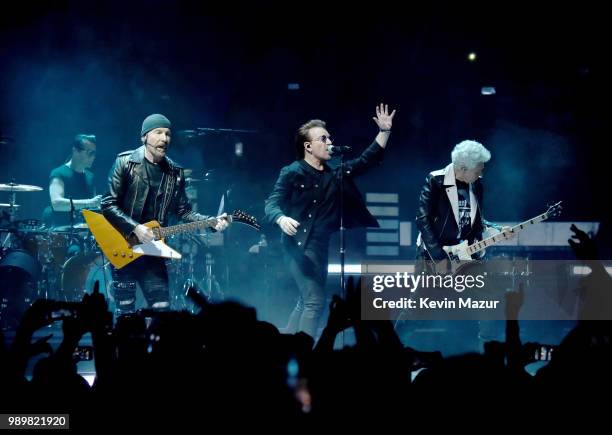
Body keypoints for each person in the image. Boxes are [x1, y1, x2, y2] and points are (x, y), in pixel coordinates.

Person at [265, 104, 396, 338]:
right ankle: (304, 354)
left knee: (306, 298)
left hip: (319, 245)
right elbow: (271, 203)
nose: (329, 142)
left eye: (329, 137)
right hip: (297, 246)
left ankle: (288, 339)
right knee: (315, 300)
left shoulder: (335, 170)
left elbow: (366, 160)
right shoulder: (292, 171)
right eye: (323, 138)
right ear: (308, 146)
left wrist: (384, 132)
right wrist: (281, 218)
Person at [101, 114, 230, 315]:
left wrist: (210, 221)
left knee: (162, 310)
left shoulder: (174, 172)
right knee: (125, 312)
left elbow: (183, 211)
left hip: (153, 250)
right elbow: (108, 204)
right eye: (158, 133)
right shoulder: (125, 163)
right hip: (123, 245)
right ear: (144, 137)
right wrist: (135, 227)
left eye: (168, 134)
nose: (164, 138)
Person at [43, 134, 102, 228]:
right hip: (61, 232)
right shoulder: (59, 173)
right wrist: (90, 202)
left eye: (94, 153)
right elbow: (56, 204)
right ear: (75, 151)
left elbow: (93, 208)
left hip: (82, 232)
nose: (93, 157)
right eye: (90, 153)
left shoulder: (90, 177)